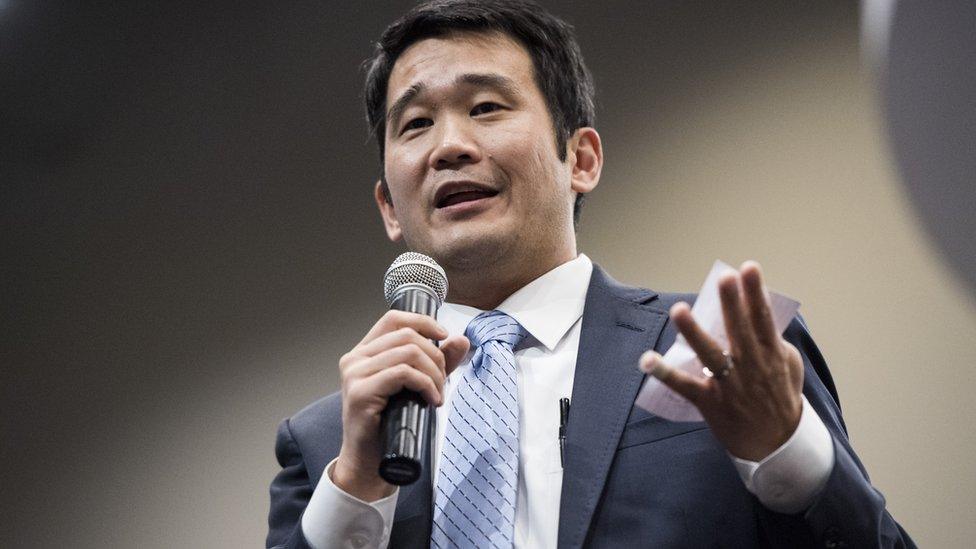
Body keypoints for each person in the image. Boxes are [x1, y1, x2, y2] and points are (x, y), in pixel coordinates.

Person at [267, 1, 915, 547]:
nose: (449, 146)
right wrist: (354, 487)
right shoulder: (325, 439)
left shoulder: (717, 346)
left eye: (487, 107)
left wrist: (792, 460)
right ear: (388, 206)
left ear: (580, 158)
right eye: (415, 123)